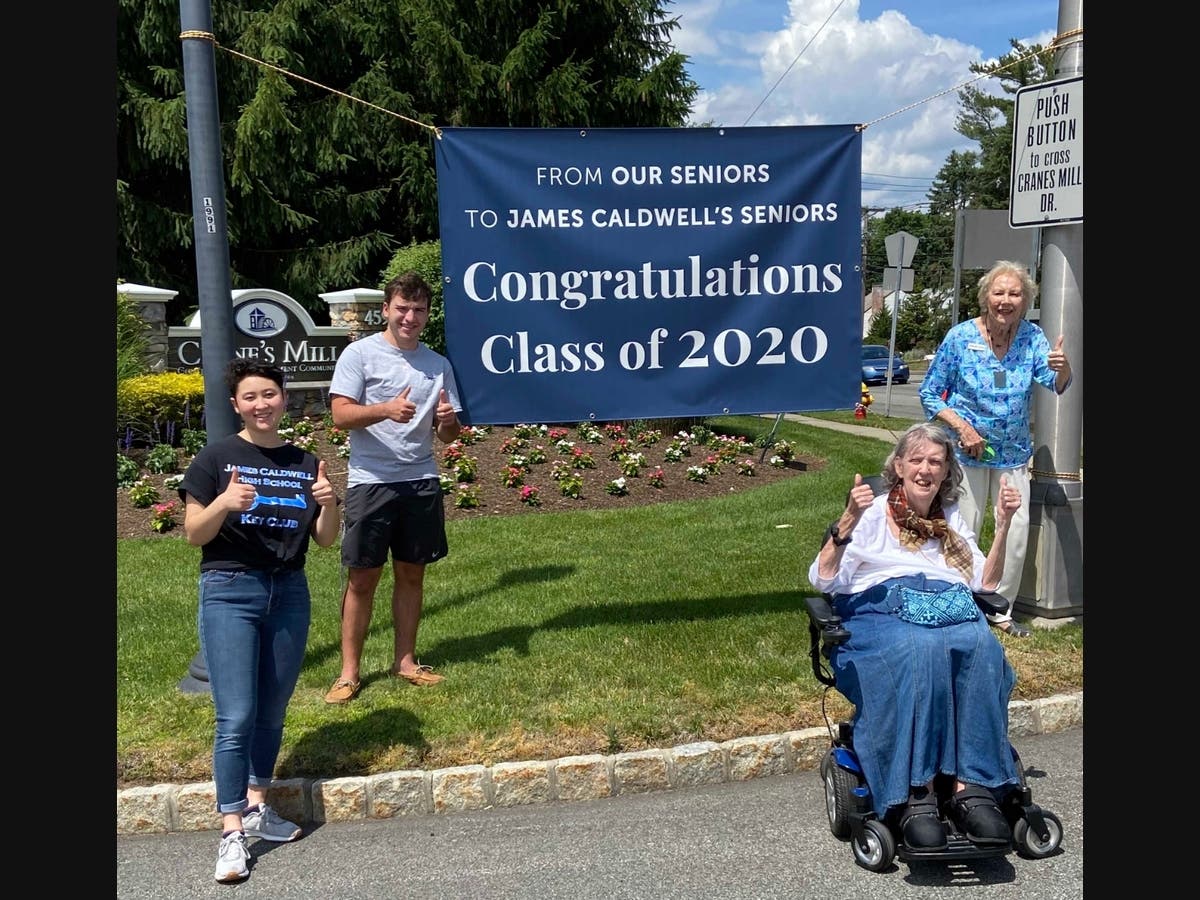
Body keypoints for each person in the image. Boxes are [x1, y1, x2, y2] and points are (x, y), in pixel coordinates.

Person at [807, 421, 1023, 850]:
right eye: (918, 460)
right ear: (900, 466)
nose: (926, 469)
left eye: (936, 462)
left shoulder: (951, 518)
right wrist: (847, 519)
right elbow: (823, 579)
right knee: (920, 649)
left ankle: (971, 786)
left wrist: (1002, 524)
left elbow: (986, 583)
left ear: (946, 472)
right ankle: (912, 792)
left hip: (945, 603)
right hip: (878, 608)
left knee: (980, 645)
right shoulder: (873, 512)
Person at [178, 358, 340, 883]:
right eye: (251, 397)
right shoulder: (216, 458)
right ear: (236, 404)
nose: (261, 404)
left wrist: (329, 502)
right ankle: (230, 831)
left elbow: (325, 539)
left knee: (272, 710)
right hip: (231, 590)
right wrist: (224, 501)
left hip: (289, 590)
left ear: (283, 399)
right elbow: (194, 534)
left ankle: (256, 806)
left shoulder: (302, 460)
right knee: (237, 716)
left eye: (269, 394)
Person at [323, 270, 463, 704]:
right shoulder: (359, 355)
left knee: (411, 574)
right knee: (362, 578)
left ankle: (405, 661)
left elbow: (450, 435)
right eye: (402, 308)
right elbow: (340, 416)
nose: (410, 317)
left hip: (420, 480)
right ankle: (349, 673)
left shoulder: (438, 365)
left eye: (418, 310)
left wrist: (447, 422)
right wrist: (385, 409)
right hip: (372, 482)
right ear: (386, 309)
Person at [918, 260, 1072, 637]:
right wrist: (963, 429)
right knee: (964, 529)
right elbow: (929, 394)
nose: (1006, 301)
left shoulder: (1032, 338)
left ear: (1026, 300)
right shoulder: (960, 338)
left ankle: (998, 609)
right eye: (999, 292)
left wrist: (1063, 367)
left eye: (1015, 294)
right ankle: (961, 604)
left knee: (1015, 534)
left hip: (1014, 454)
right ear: (985, 296)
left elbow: (1055, 384)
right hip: (967, 452)